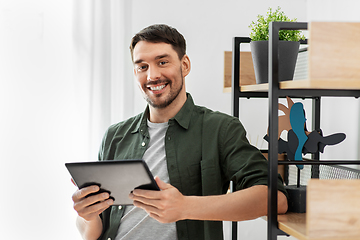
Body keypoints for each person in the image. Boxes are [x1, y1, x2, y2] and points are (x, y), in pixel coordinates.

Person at [72, 24, 288, 240]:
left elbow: (275, 199)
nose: (152, 76)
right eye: (142, 67)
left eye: (162, 62)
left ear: (184, 65)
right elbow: (92, 232)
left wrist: (185, 206)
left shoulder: (220, 129)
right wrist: (88, 216)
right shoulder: (115, 136)